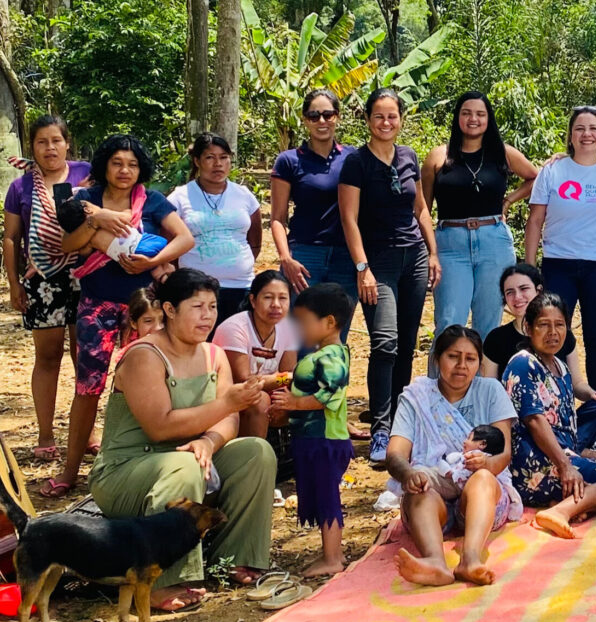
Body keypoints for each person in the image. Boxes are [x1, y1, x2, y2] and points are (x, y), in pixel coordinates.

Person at [88, 269, 276, 610]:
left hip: (191, 459)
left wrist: (210, 442)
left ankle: (235, 557)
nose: (207, 316)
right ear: (169, 310)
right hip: (125, 471)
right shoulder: (144, 355)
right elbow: (160, 427)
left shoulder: (214, 355)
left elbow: (229, 419)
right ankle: (165, 579)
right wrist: (226, 403)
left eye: (213, 307)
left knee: (256, 452)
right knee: (184, 463)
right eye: (197, 307)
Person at [52, 134, 194, 498]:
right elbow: (66, 245)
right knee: (88, 388)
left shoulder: (152, 201)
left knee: (147, 387)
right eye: (117, 163)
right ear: (104, 165)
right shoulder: (85, 200)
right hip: (96, 304)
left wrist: (153, 261)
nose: (125, 170)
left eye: (131, 164)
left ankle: (144, 462)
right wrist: (98, 220)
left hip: (143, 309)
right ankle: (70, 470)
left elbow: (185, 239)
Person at [339, 88, 441, 461]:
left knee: (406, 343)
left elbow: (421, 210)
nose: (386, 122)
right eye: (379, 116)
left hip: (413, 258)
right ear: (368, 120)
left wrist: (432, 252)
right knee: (385, 342)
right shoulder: (356, 162)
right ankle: (381, 430)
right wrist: (362, 268)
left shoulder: (409, 157)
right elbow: (349, 218)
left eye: (392, 116)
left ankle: (400, 425)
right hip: (377, 262)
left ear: (401, 119)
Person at [386, 325, 521, 587]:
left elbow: (504, 454)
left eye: (470, 359)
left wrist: (487, 463)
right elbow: (395, 454)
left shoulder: (491, 391)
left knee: (482, 477)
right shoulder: (417, 396)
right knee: (419, 484)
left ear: (480, 365)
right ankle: (435, 561)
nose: (461, 365)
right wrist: (408, 474)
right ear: (437, 359)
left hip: (483, 498)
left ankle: (470, 559)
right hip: (433, 499)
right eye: (452, 356)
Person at [2, 116, 91, 461]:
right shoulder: (21, 187)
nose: (50, 148)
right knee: (49, 356)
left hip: (86, 273)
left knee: (84, 355)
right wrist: (14, 283)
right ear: (32, 147)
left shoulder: (86, 174)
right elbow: (12, 237)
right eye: (42, 142)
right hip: (42, 280)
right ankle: (45, 434)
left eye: (56, 140)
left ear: (67, 143)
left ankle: (87, 431)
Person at [504, 293, 596, 539]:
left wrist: (576, 456)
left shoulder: (560, 366)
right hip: (535, 462)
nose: (553, 332)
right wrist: (566, 466)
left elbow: (564, 420)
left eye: (559, 325)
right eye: (543, 325)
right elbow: (535, 420)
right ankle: (563, 510)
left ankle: (574, 503)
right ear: (528, 328)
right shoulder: (522, 363)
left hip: (562, 453)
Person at [422, 91, 538, 340]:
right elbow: (422, 207)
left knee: (489, 324)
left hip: (493, 242)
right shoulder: (438, 156)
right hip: (450, 244)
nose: (473, 119)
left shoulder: (502, 153)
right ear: (457, 117)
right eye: (466, 113)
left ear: (488, 119)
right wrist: (429, 251)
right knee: (448, 324)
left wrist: (509, 200)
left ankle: (487, 379)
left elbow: (535, 177)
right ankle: (440, 379)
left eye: (480, 114)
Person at [524, 106, 596, 390]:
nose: (586, 134)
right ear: (570, 135)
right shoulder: (553, 170)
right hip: (558, 264)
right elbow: (535, 221)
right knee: (554, 335)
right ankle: (557, 400)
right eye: (579, 128)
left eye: (593, 128)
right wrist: (530, 269)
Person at [482, 264, 596, 453]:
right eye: (510, 292)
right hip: (521, 423)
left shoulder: (561, 335)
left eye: (524, 289)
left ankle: (569, 448)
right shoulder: (497, 339)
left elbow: (576, 383)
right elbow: (490, 390)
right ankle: (570, 451)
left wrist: (594, 394)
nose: (517, 297)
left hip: (559, 422)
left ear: (538, 290)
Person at [269, 283, 353, 577]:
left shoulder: (332, 356)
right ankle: (330, 553)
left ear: (330, 322)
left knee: (328, 496)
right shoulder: (321, 354)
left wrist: (293, 402)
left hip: (326, 440)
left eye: (304, 321)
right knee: (320, 494)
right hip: (312, 439)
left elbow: (328, 396)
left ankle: (333, 557)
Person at [270, 89, 358, 338]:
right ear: (305, 119)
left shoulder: (352, 158)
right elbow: (277, 218)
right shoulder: (289, 161)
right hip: (304, 257)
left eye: (328, 114)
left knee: (337, 336)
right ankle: (296, 379)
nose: (322, 121)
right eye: (314, 115)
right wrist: (286, 258)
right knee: (299, 335)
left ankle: (336, 379)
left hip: (345, 257)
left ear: (337, 117)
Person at [168, 132, 262, 326]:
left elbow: (255, 243)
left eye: (223, 157)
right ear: (197, 161)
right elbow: (169, 246)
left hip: (240, 287)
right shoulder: (180, 197)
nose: (218, 164)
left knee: (233, 347)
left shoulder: (244, 195)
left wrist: (234, 266)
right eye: (210, 157)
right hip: (194, 290)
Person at [213, 270, 300, 438]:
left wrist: (287, 398)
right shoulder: (235, 328)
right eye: (268, 298)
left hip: (267, 391)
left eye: (283, 298)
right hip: (229, 395)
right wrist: (287, 378)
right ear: (253, 300)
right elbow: (244, 381)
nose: (276, 304)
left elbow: (289, 375)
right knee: (260, 400)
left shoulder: (289, 329)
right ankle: (255, 458)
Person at [56, 197, 170, 280]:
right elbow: (128, 216)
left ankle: (161, 274)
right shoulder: (107, 219)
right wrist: (127, 211)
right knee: (162, 245)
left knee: (155, 266)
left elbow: (84, 253)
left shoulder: (88, 239)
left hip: (128, 261)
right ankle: (165, 267)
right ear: (88, 210)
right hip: (142, 245)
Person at [435, 425, 505, 491]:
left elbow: (466, 473)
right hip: (459, 485)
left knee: (432, 477)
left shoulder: (476, 456)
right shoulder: (489, 459)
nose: (464, 441)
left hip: (456, 485)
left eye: (469, 438)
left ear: (482, 444)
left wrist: (452, 474)